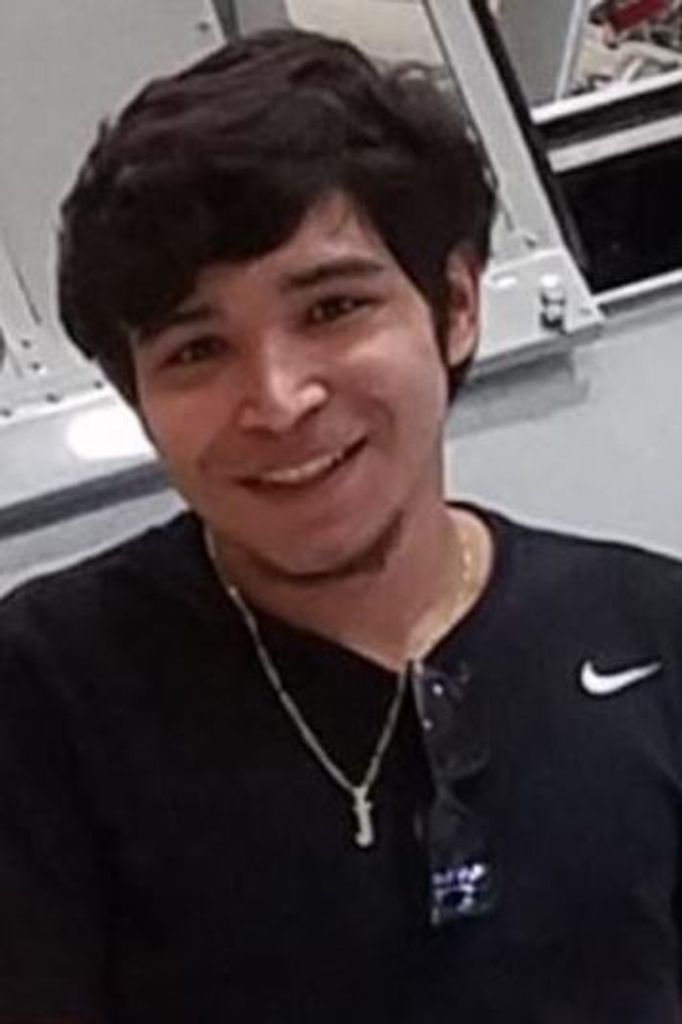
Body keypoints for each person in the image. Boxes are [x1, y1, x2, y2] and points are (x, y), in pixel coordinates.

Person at [1, 26, 681, 1024]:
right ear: (137, 399)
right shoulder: (43, 701)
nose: (277, 401)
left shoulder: (649, 632)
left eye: (332, 309)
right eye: (196, 351)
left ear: (455, 304)